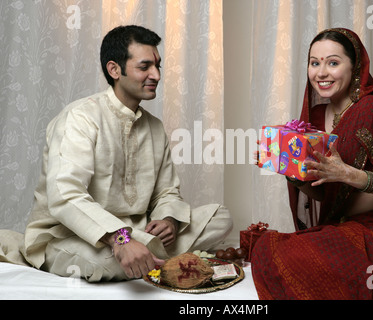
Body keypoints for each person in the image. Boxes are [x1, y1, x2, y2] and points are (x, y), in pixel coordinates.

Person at [0, 25, 232, 282]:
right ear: (114, 69)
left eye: (158, 66)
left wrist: (169, 221)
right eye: (144, 67)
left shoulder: (154, 127)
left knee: (219, 216)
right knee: (110, 264)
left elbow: (166, 192)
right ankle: (144, 255)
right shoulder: (80, 118)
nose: (155, 74)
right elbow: (65, 195)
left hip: (137, 231)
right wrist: (121, 238)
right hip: (75, 236)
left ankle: (144, 253)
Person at [251, 28, 373, 300]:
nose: (321, 73)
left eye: (333, 62)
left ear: (355, 66)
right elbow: (323, 193)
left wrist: (347, 173)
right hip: (338, 228)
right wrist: (287, 169)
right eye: (314, 63)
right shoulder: (316, 115)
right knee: (267, 247)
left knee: (289, 254)